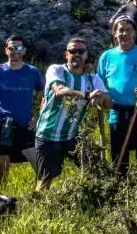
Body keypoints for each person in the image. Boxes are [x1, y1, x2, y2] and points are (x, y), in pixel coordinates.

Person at [34, 37, 111, 190]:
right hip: (48, 134)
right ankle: (38, 206)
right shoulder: (57, 70)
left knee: (93, 168)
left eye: (81, 51)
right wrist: (87, 96)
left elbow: (109, 102)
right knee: (46, 179)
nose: (77, 54)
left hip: (72, 135)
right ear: (66, 54)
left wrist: (101, 98)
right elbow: (59, 91)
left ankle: (90, 199)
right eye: (72, 51)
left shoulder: (92, 79)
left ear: (86, 54)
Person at [0, 36, 45, 183]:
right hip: (1, 125)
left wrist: (38, 117)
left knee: (41, 168)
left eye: (18, 48)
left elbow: (46, 94)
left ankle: (41, 198)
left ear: (24, 51)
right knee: (3, 171)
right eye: (11, 48)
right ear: (6, 51)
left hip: (25, 124)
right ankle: (3, 199)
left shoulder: (32, 72)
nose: (15, 51)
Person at [98, 16, 137, 178]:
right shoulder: (106, 57)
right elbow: (98, 83)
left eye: (128, 30)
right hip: (117, 113)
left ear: (135, 33)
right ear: (114, 34)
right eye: (120, 30)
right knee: (119, 159)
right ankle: (121, 194)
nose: (124, 34)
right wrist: (102, 96)